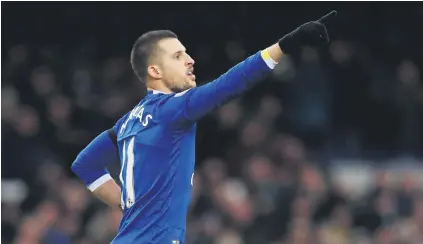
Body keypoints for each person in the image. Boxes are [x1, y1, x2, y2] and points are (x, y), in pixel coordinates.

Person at [71, 11, 337, 244]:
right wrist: (284, 45)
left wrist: (128, 206)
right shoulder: (173, 109)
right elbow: (230, 84)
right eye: (178, 56)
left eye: (186, 53)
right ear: (155, 70)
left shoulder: (129, 121)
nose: (190, 60)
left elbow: (85, 164)